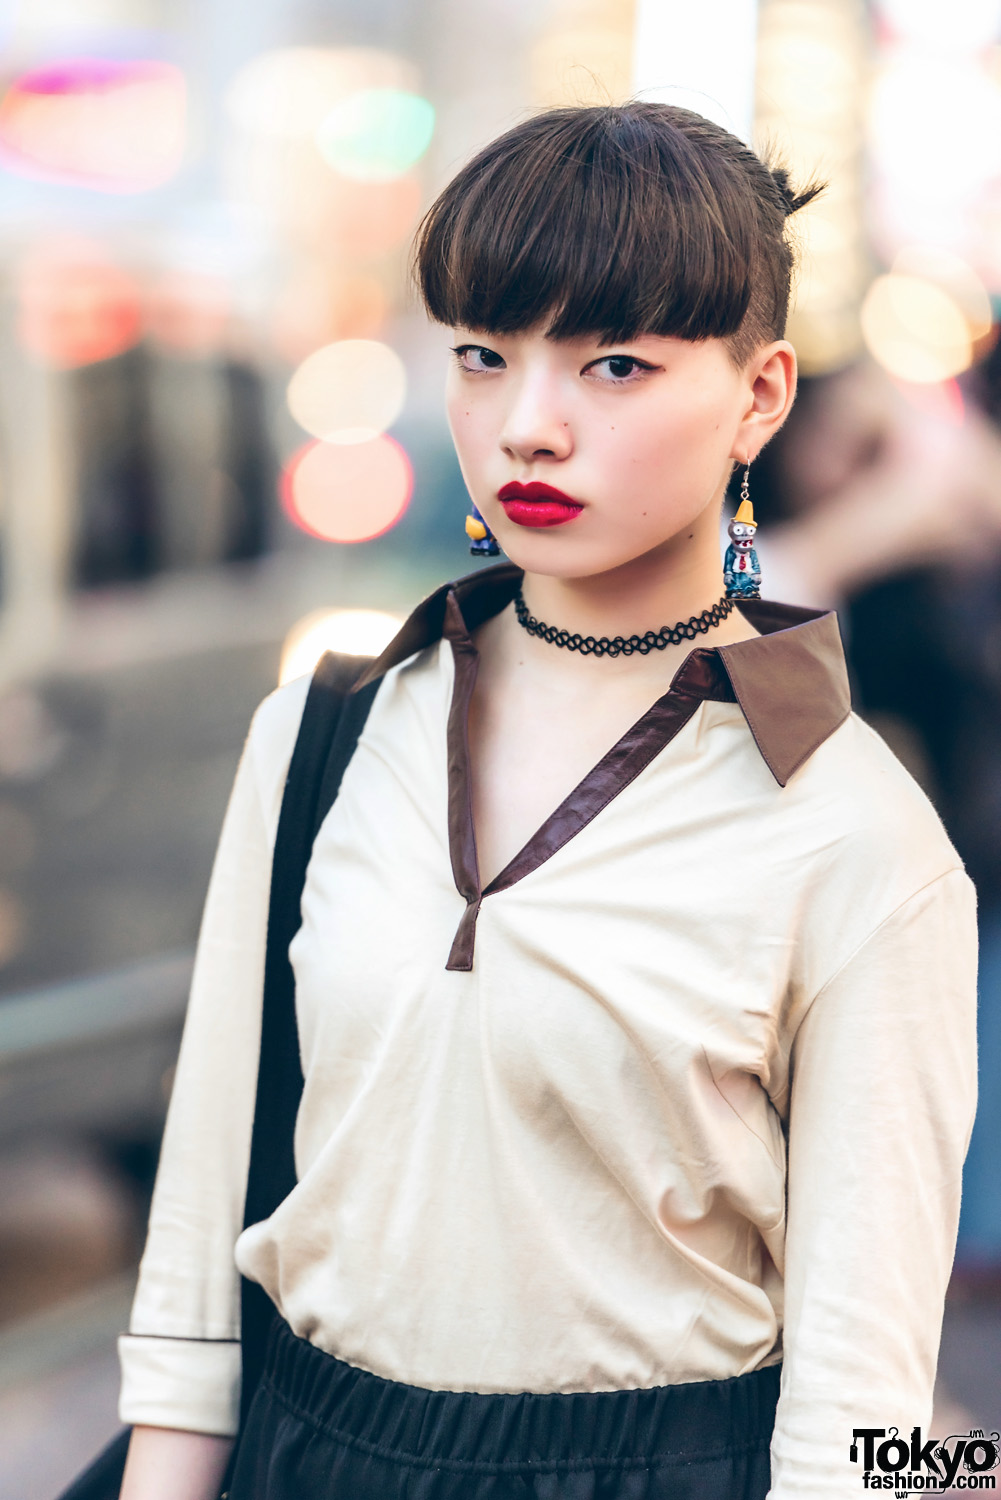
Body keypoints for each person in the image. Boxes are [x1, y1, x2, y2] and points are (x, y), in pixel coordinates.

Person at [115, 103, 978, 1500]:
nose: (526, 426)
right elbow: (197, 1256)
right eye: (481, 355)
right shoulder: (326, 733)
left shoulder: (852, 830)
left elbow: (864, 1413)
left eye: (616, 365)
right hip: (306, 1453)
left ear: (760, 396)